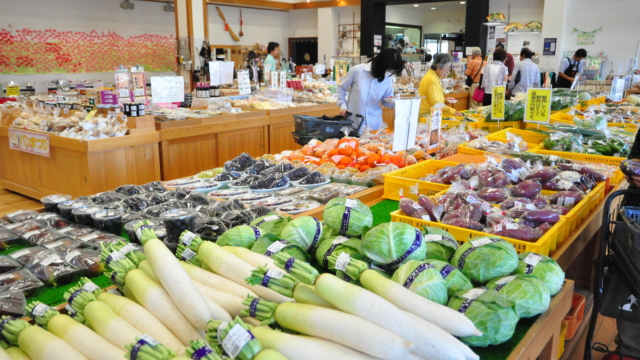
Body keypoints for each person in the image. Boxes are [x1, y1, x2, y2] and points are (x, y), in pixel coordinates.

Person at [337, 48, 404, 133]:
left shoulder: (387, 78)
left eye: (392, 72)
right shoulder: (357, 70)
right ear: (381, 64)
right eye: (389, 70)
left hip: (375, 125)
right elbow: (341, 88)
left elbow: (386, 101)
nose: (389, 73)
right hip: (355, 124)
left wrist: (400, 103)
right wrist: (342, 106)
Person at [418, 53, 464, 118]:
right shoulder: (432, 79)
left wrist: (443, 100)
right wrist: (453, 111)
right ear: (439, 66)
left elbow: (432, 98)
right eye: (447, 68)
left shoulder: (433, 76)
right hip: (427, 116)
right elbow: (436, 103)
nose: (448, 71)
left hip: (429, 115)